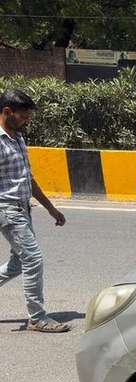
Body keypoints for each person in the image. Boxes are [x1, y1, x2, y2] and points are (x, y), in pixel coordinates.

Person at [0, 89, 70, 333]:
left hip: (23, 208)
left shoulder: (17, 137)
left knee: (18, 263)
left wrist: (51, 209)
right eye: (24, 117)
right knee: (33, 258)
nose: (27, 122)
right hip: (7, 210)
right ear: (7, 112)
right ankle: (37, 318)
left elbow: (27, 179)